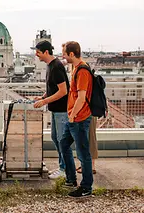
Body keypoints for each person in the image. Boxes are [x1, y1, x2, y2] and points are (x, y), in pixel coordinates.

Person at [60, 41, 93, 198]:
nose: (63, 56)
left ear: (71, 54)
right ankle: (71, 179)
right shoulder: (76, 69)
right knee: (64, 144)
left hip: (79, 118)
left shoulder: (82, 71)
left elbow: (81, 97)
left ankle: (86, 187)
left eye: (65, 54)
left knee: (83, 154)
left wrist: (72, 116)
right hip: (73, 117)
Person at [33, 41, 70, 180]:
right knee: (56, 138)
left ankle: (64, 169)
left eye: (38, 53)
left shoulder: (56, 67)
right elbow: (53, 88)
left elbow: (63, 91)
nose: (37, 55)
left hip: (61, 110)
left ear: (46, 52)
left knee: (62, 140)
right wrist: (43, 96)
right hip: (56, 110)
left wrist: (44, 101)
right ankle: (62, 167)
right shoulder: (51, 66)